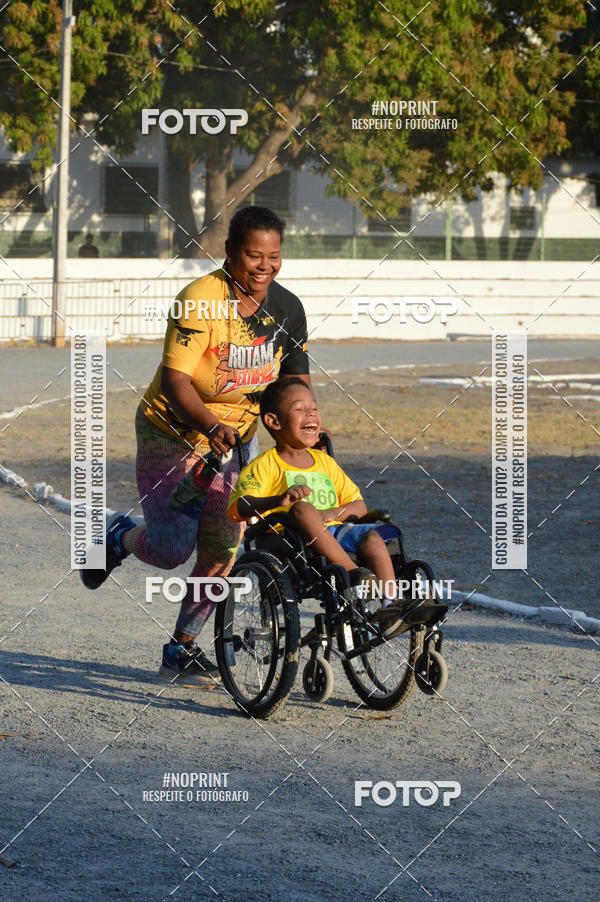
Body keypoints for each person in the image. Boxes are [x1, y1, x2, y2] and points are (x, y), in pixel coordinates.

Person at [80, 206, 312, 684]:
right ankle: (119, 537)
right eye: (253, 255)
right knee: (170, 548)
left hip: (232, 442)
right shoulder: (200, 301)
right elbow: (175, 380)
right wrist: (210, 425)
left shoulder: (287, 309)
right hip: (172, 431)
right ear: (229, 252)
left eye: (273, 256)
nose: (264, 266)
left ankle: (181, 648)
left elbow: (294, 385)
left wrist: (305, 433)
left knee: (222, 546)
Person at [227, 377, 411, 634]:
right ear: (273, 421)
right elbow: (240, 505)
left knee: (371, 534)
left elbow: (358, 504)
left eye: (314, 409)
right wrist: (278, 501)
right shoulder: (265, 465)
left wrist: (332, 513)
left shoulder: (325, 463)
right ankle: (353, 574)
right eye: (300, 409)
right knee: (301, 509)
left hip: (336, 531)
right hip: (294, 543)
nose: (311, 414)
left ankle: (392, 606)